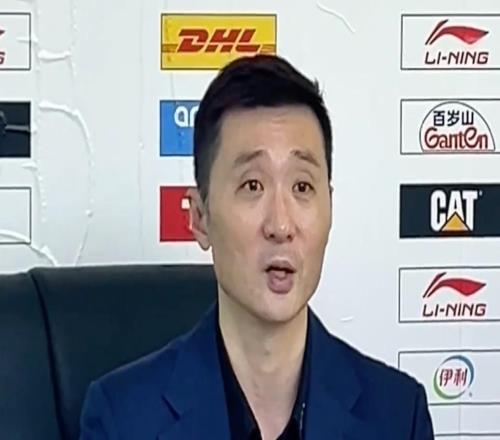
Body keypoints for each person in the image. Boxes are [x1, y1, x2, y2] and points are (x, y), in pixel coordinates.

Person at [79, 54, 434, 439]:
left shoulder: (398, 416)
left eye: (302, 186)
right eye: (253, 185)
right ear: (199, 217)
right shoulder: (122, 419)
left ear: (329, 208)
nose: (280, 225)